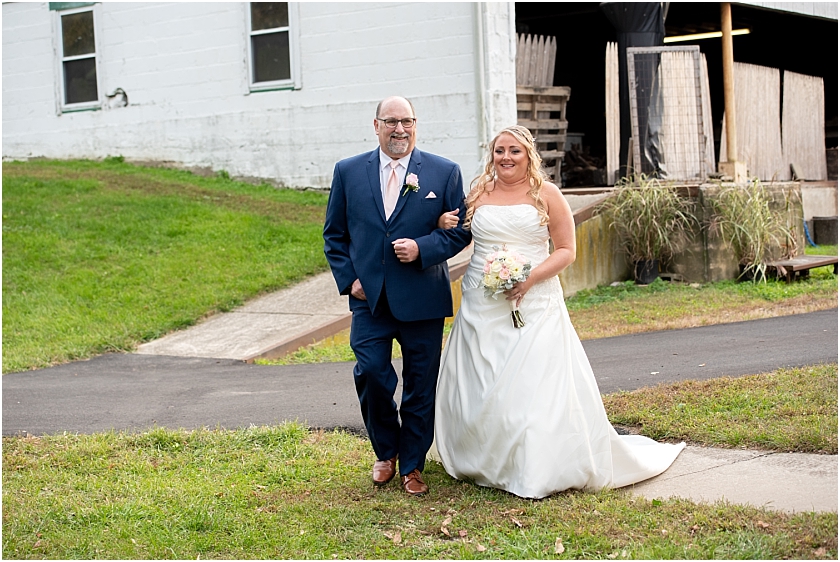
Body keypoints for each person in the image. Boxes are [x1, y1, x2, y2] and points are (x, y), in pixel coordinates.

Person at [432, 125, 685, 499]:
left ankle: (534, 464)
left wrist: (529, 279)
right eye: (499, 150)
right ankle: (482, 460)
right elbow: (459, 234)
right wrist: (441, 223)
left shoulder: (546, 194)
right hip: (480, 304)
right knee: (479, 384)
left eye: (514, 151)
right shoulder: (479, 193)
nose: (505, 157)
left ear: (528, 155)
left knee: (533, 386)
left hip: (535, 304)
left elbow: (566, 250)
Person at [323, 96, 472, 496]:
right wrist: (350, 280)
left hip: (422, 295)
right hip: (369, 299)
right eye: (391, 122)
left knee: (421, 384)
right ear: (376, 126)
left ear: (415, 123)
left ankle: (413, 464)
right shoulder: (349, 171)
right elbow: (334, 235)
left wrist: (423, 248)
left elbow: (460, 231)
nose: (399, 129)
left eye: (406, 121)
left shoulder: (443, 172)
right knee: (371, 372)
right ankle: (385, 451)